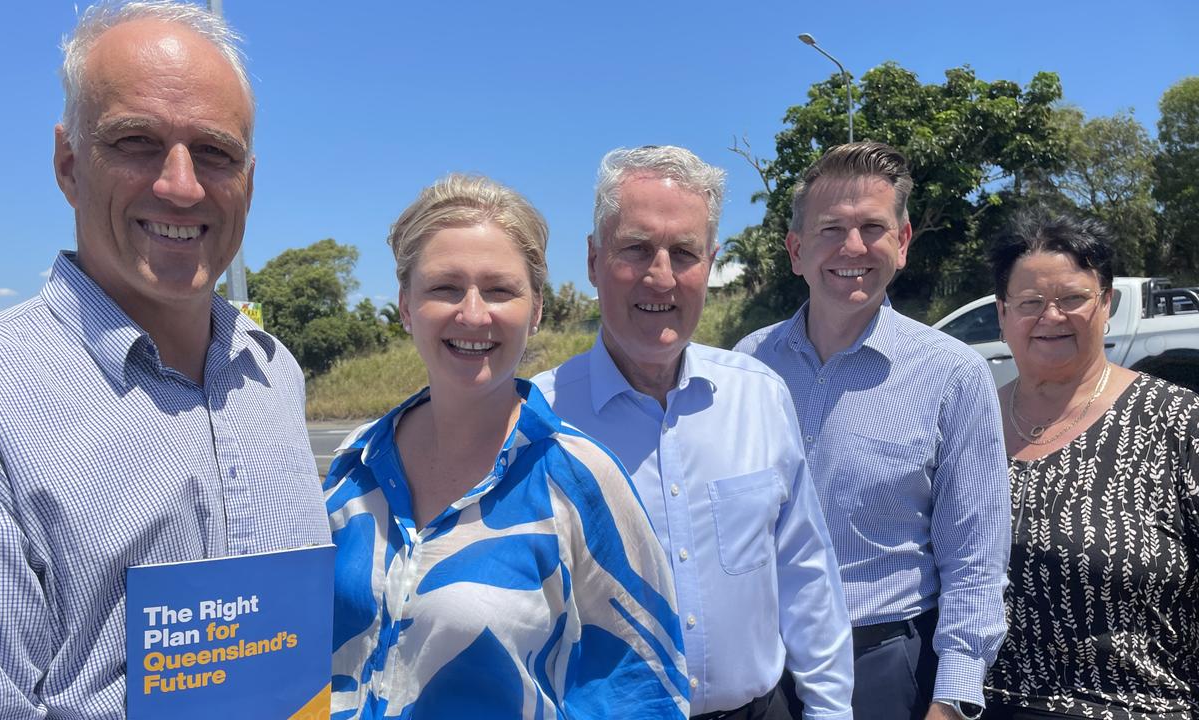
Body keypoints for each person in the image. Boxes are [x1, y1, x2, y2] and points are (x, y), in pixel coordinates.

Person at [0, 2, 330, 716]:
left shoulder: (275, 375)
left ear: (250, 182)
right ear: (69, 164)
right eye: (137, 141)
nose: (180, 185)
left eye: (215, 152)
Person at [323, 174, 688, 719]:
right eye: (445, 287)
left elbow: (646, 692)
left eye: (499, 290)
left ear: (536, 308)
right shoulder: (354, 466)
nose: (473, 314)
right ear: (405, 305)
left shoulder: (579, 478)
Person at [534, 145, 854, 720]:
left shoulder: (758, 396)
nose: (660, 276)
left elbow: (805, 572)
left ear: (710, 262)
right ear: (592, 258)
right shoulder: (538, 419)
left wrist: (830, 711)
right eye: (635, 248)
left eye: (684, 252)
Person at [734, 142, 1009, 720]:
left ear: (903, 243)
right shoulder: (747, 367)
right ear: (795, 250)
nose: (852, 247)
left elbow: (975, 557)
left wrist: (953, 700)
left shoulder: (954, 374)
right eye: (831, 228)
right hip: (759, 672)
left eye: (872, 227)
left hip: (885, 669)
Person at [981, 210, 1199, 720]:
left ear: (1106, 302)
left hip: (1133, 705)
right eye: (1030, 303)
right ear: (1002, 314)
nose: (1051, 317)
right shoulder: (969, 428)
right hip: (979, 706)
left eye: (1073, 299)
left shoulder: (1177, 423)